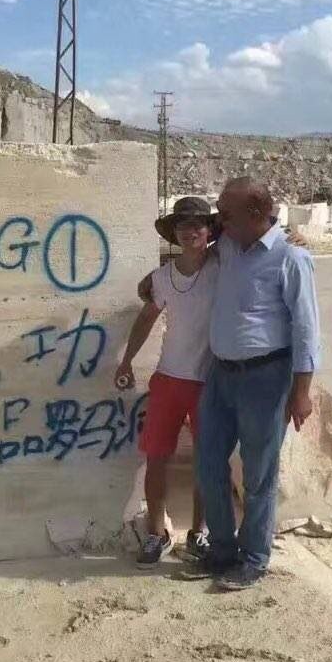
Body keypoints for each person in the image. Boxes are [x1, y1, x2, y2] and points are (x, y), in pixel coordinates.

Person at [185, 178, 320, 591]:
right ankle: (222, 550)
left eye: (226, 213)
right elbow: (192, 239)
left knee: (259, 473)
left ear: (256, 214)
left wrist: (301, 391)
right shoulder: (227, 244)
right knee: (208, 463)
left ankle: (254, 557)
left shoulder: (290, 257)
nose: (219, 219)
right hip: (221, 375)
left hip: (266, 378)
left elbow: (306, 328)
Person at [114, 197, 218, 566]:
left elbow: (254, 245)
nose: (191, 231)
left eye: (198, 224)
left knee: (207, 461)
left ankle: (199, 532)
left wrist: (293, 239)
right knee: (157, 457)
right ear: (174, 234)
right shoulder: (161, 278)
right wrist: (126, 360)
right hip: (169, 379)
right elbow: (147, 318)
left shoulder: (224, 266)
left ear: (209, 230)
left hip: (210, 382)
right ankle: (156, 533)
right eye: (183, 225)